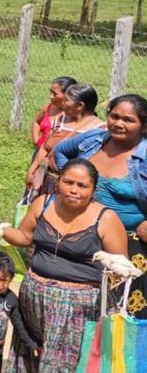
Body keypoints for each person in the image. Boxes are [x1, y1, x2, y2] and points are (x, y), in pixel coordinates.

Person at [2, 159, 127, 372]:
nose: (73, 190)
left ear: (94, 190)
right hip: (34, 299)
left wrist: (113, 265)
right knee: (31, 350)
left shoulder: (106, 219)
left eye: (82, 186)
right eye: (68, 182)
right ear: (58, 181)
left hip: (78, 308)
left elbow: (121, 267)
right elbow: (24, 236)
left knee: (64, 362)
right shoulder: (43, 203)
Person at [53, 94, 147, 319]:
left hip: (128, 246)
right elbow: (60, 151)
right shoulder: (95, 139)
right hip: (82, 235)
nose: (118, 123)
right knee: (79, 307)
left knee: (122, 313)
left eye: (128, 119)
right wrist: (73, 183)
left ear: (144, 127)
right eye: (114, 116)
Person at [26, 84, 105, 195]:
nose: (62, 104)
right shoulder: (61, 119)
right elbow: (45, 147)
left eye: (66, 101)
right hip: (45, 180)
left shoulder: (99, 130)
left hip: (70, 189)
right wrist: (32, 171)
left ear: (80, 106)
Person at [30, 76, 76, 148]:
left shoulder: (75, 114)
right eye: (50, 92)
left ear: (68, 95)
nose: (51, 96)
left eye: (55, 94)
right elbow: (36, 122)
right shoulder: (48, 108)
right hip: (41, 152)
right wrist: (36, 141)